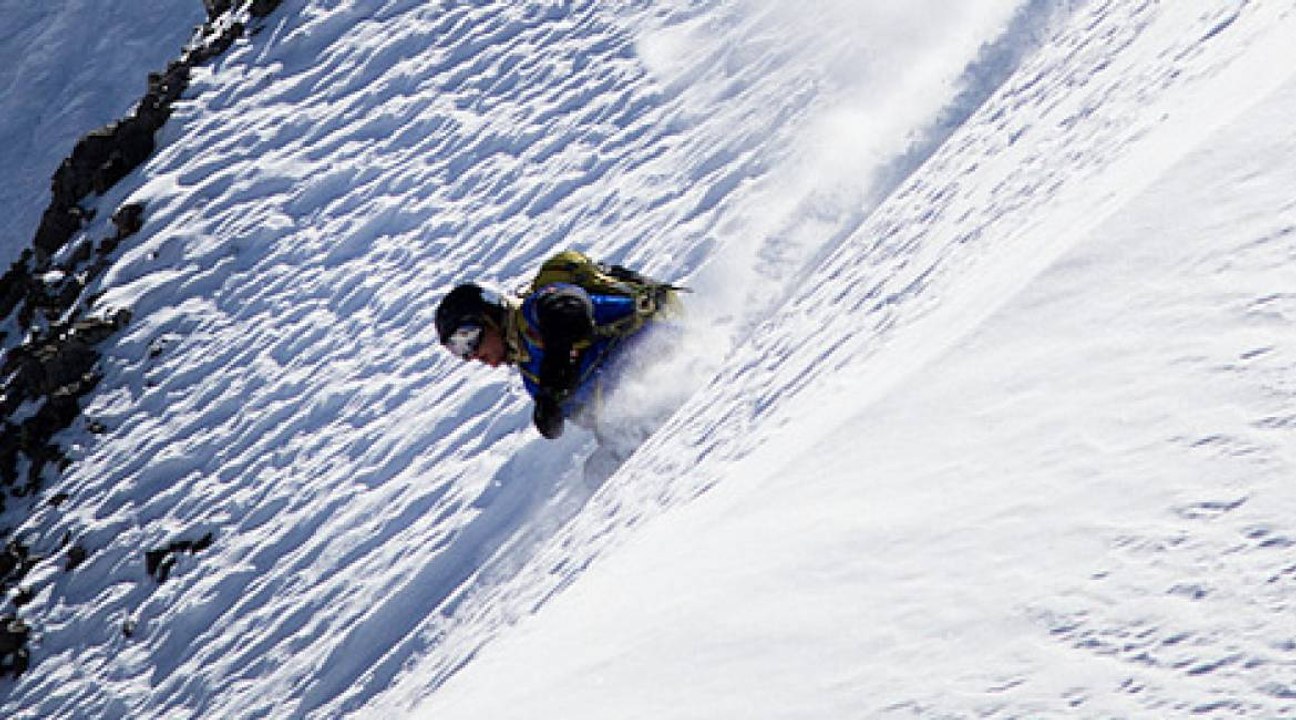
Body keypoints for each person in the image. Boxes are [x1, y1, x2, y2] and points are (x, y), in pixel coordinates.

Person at [434, 254, 681, 441]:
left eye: (468, 337)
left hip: (670, 350)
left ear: (489, 316)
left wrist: (555, 378)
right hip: (649, 400)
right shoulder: (531, 376)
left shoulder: (532, 311)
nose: (472, 353)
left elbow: (569, 308)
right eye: (459, 350)